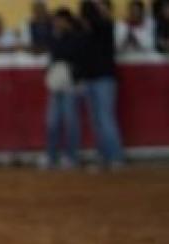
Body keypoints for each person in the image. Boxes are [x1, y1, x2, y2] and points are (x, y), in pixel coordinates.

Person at [80, 0, 125, 168]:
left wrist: (97, 4)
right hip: (92, 78)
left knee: (105, 119)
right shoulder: (87, 32)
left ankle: (115, 156)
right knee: (97, 121)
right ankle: (104, 156)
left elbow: (106, 19)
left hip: (104, 78)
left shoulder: (105, 26)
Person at [43, 8, 83, 169]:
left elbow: (66, 54)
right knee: (52, 122)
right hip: (57, 81)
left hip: (70, 82)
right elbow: (54, 54)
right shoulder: (55, 36)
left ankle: (71, 156)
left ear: (67, 21)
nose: (57, 23)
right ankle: (51, 156)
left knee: (70, 121)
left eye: (59, 20)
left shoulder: (75, 37)